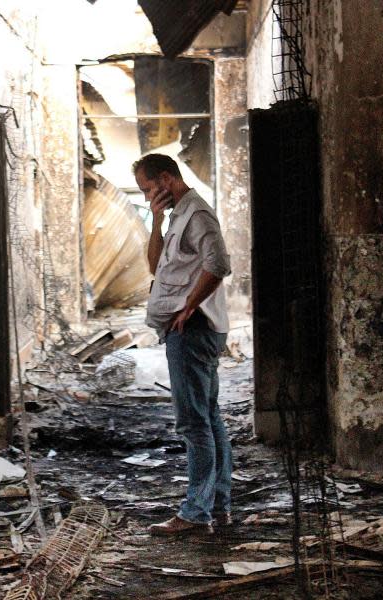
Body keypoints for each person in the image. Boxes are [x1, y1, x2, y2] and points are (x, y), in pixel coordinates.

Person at [133, 153, 233, 536]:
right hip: (188, 329)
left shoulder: (198, 214)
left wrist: (189, 306)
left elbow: (219, 263)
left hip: (193, 330)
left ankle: (195, 513)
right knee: (208, 418)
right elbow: (156, 267)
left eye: (148, 189)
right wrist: (156, 220)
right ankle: (217, 506)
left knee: (194, 424)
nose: (146, 198)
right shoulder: (177, 216)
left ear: (165, 179)